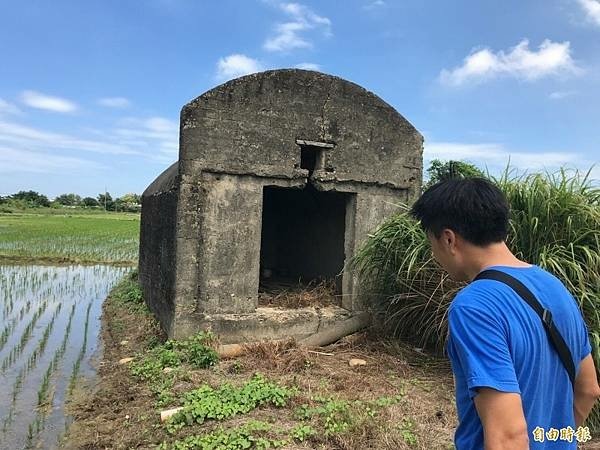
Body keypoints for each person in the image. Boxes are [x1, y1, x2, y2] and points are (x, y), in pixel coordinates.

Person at [409, 177, 600, 449]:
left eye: (432, 243)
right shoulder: (554, 287)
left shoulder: (474, 306)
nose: (433, 253)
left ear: (449, 239)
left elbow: (508, 437)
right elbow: (588, 390)